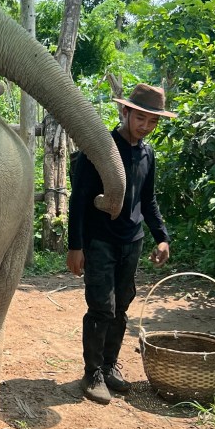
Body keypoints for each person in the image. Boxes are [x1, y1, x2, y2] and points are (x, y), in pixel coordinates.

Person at [67, 83, 176, 404]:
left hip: (132, 241)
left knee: (122, 306)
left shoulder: (147, 154)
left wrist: (162, 237)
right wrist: (76, 246)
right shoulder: (101, 151)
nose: (146, 126)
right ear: (125, 112)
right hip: (100, 240)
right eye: (141, 118)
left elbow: (148, 200)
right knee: (102, 306)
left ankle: (110, 365)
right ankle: (92, 373)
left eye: (153, 121)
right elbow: (78, 200)